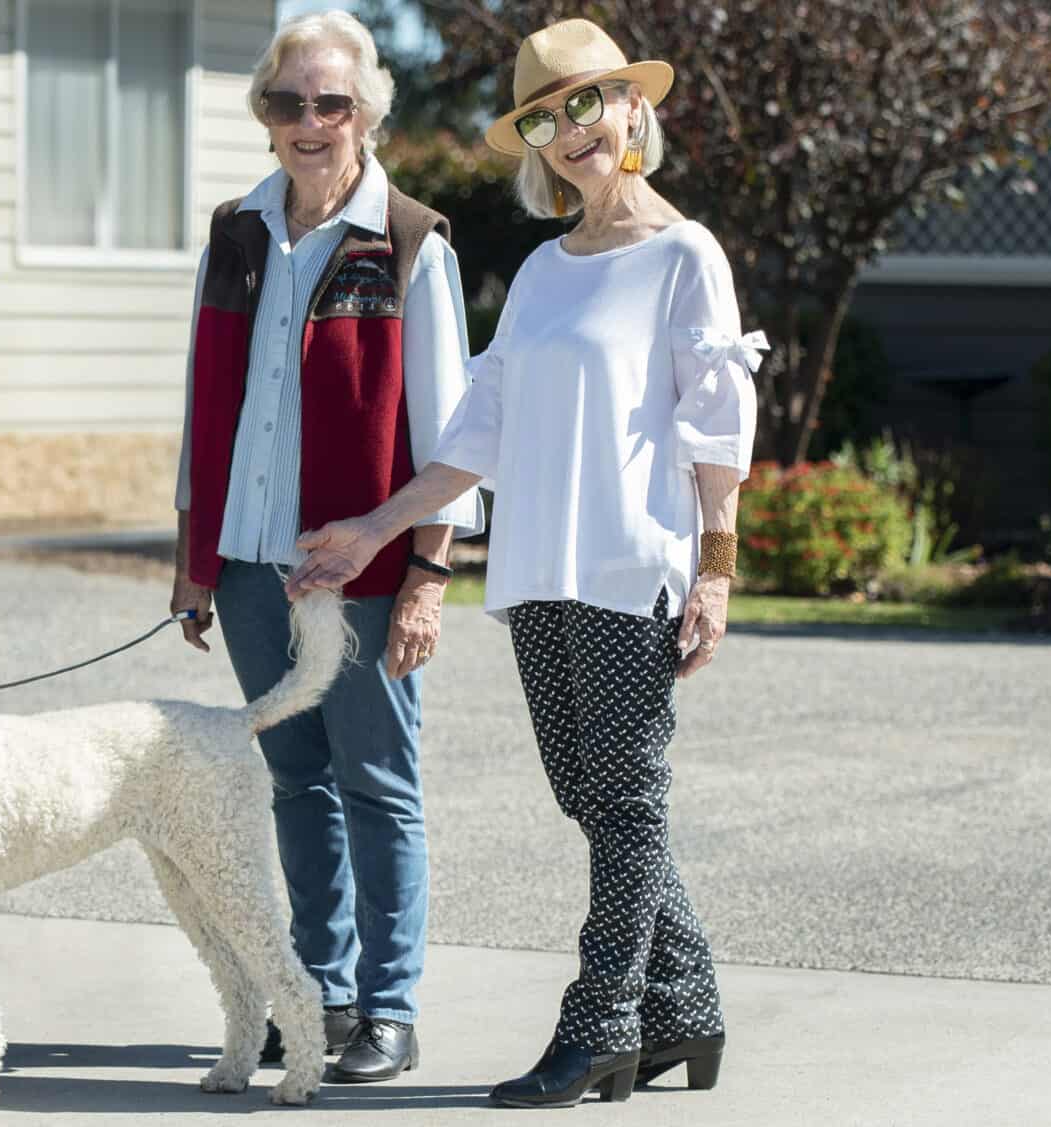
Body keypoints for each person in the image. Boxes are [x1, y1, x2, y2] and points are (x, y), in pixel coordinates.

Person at [285, 17, 754, 1110]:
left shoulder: (686, 256)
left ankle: (600, 1024)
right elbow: (476, 430)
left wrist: (717, 570)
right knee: (591, 795)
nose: (570, 131)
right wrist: (376, 527)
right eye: (546, 117)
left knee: (628, 797)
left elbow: (716, 434)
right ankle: (687, 1002)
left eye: (587, 103)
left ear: (634, 108)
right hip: (538, 573)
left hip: (630, 569)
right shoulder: (545, 269)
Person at [170, 8, 482, 1086]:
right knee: (294, 777)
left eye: (331, 102)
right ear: (265, 116)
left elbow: (453, 436)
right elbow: (203, 405)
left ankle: (388, 1009)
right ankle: (320, 992)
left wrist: (426, 578)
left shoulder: (407, 240)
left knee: (377, 782)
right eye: (288, 101)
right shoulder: (237, 232)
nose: (310, 122)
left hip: (358, 568)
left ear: (367, 115)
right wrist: (194, 556)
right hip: (250, 562)